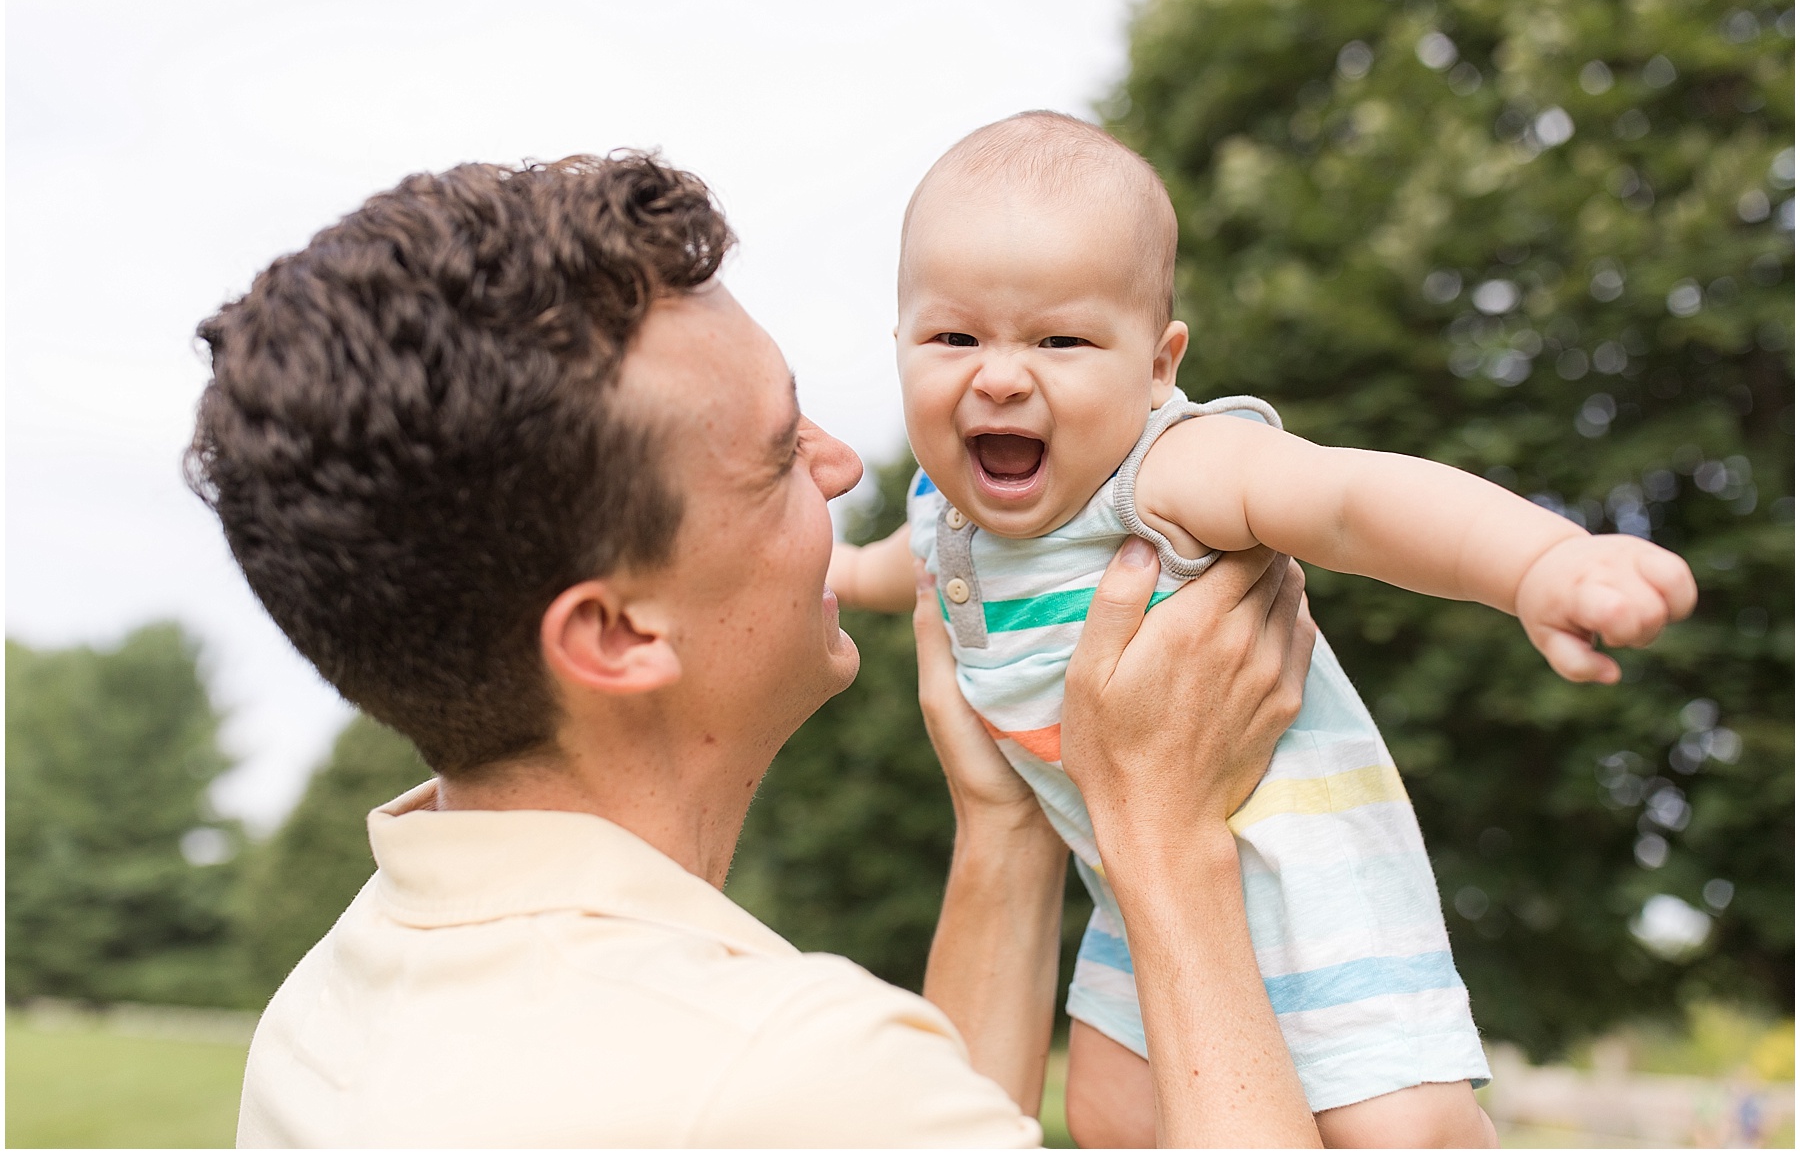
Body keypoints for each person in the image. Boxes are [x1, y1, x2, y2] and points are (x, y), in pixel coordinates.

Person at [189, 152, 1325, 1146]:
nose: (840, 466)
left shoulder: (325, 1007)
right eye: (781, 453)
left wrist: (1005, 823)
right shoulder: (782, 1070)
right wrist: (1165, 844)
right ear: (618, 635)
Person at [827, 111, 1698, 1147]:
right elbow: (871, 572)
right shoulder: (942, 516)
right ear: (900, 343)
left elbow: (1348, 500)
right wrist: (807, 567)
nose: (1002, 374)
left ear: (1157, 366)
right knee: (1110, 1115)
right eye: (954, 337)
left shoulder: (1167, 474)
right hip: (1129, 881)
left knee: (1397, 1133)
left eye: (1061, 340)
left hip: (1312, 881)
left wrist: (1538, 562)